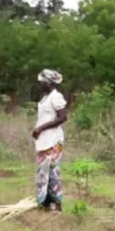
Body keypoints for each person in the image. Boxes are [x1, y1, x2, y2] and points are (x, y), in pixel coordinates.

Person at [33, 69, 68, 211]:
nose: (40, 84)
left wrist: (41, 128)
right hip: (44, 141)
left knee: (53, 171)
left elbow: (62, 117)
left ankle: (57, 204)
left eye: (42, 82)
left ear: (48, 83)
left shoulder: (56, 97)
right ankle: (45, 203)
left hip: (53, 140)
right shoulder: (45, 97)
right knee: (43, 172)